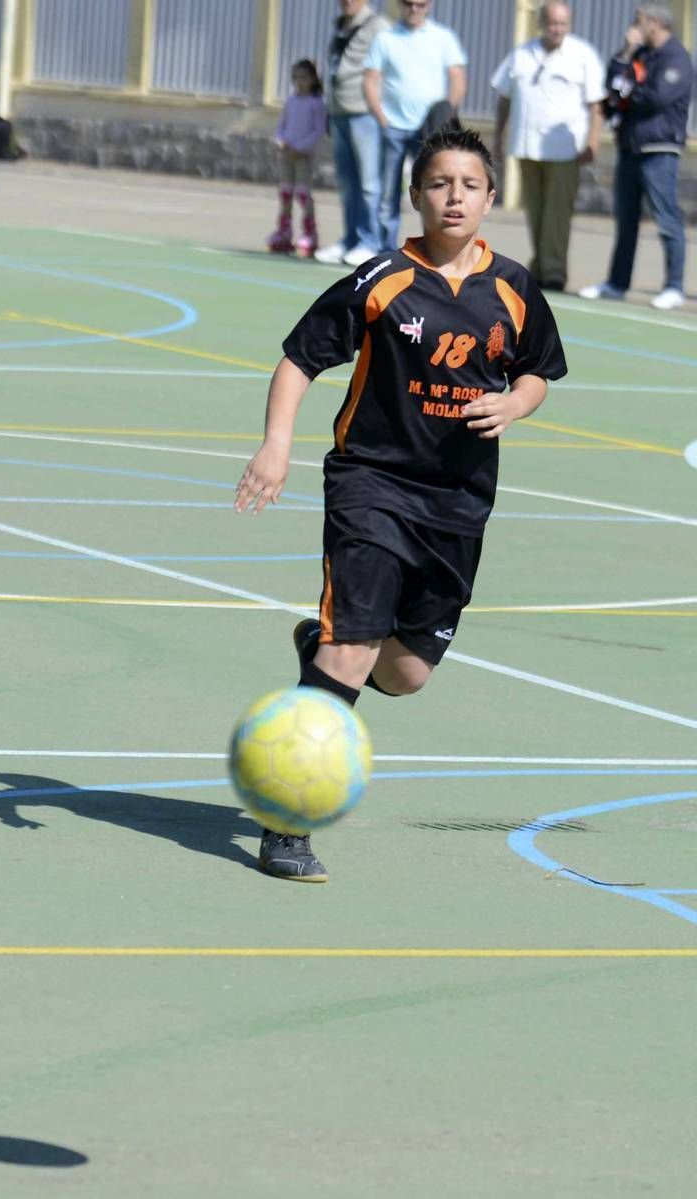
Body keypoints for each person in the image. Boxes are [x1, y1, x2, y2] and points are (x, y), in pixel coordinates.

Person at [234, 128, 568, 882]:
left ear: (490, 197)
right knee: (350, 648)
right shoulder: (382, 278)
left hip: (458, 504)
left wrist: (514, 403)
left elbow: (539, 373)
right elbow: (300, 357)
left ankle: (322, 659)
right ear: (416, 196)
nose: (455, 195)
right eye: (440, 183)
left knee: (407, 673)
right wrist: (276, 443)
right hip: (372, 485)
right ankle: (287, 819)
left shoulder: (512, 287)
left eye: (470, 184)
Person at [579, 2, 694, 310]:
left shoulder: (676, 58)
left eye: (639, 21)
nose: (634, 25)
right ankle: (617, 283)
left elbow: (656, 97)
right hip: (629, 148)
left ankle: (673, 286)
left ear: (654, 23)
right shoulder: (640, 54)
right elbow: (611, 89)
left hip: (659, 150)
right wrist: (625, 54)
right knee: (626, 220)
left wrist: (626, 93)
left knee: (666, 218)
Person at [491, 2, 605, 292]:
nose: (557, 29)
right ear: (540, 23)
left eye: (563, 24)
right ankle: (540, 267)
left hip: (565, 150)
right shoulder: (521, 54)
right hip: (526, 146)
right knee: (536, 211)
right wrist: (498, 136)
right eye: (553, 23)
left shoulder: (582, 55)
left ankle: (554, 272)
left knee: (557, 213)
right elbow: (505, 98)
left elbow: (596, 106)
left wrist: (593, 140)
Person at [363, 0, 467, 250]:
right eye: (409, 4)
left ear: (429, 5)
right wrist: (380, 116)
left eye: (420, 4)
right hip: (393, 128)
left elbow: (458, 77)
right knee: (388, 195)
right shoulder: (386, 38)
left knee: (433, 192)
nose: (414, 9)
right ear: (400, 5)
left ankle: (433, 249)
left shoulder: (443, 37)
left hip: (430, 130)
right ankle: (385, 249)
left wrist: (446, 112)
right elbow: (370, 79)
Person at [315, 0, 391, 267]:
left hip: (364, 113)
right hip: (338, 112)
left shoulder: (377, 25)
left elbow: (386, 68)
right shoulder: (340, 26)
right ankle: (350, 239)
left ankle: (371, 242)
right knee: (348, 184)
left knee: (370, 184)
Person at [267, 59, 327, 257]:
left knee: (302, 194)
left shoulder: (316, 103)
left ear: (312, 79)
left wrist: (301, 148)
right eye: (295, 78)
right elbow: (281, 126)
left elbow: (318, 131)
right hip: (286, 154)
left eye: (304, 78)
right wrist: (281, 141)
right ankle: (284, 232)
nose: (299, 82)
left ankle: (310, 233)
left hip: (303, 156)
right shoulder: (291, 101)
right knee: (285, 193)